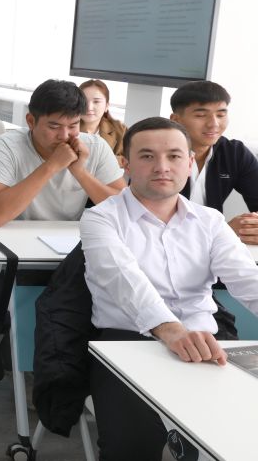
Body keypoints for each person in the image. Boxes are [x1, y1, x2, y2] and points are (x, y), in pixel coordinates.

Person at [81, 117, 258, 461]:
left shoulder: (210, 221)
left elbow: (246, 279)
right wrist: (171, 330)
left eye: (174, 156)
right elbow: (124, 281)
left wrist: (187, 335)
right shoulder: (101, 218)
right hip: (127, 343)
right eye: (147, 156)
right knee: (130, 450)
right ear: (125, 163)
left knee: (233, 439)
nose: (162, 167)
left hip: (206, 342)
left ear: (190, 163)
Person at [0, 79, 125, 226]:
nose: (64, 135)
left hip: (64, 236)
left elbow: (125, 210)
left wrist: (80, 172)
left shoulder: (96, 147)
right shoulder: (5, 146)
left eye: (73, 126)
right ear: (31, 121)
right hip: (8, 233)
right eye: (54, 127)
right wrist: (52, 165)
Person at [169, 80, 258, 243]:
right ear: (176, 119)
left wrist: (251, 226)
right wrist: (224, 230)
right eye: (201, 115)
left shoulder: (234, 153)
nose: (213, 124)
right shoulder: (157, 154)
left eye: (221, 115)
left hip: (214, 248)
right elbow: (151, 221)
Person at [79, 79, 126, 161]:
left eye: (96, 102)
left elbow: (129, 160)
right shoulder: (65, 127)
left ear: (106, 106)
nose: (89, 107)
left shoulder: (121, 130)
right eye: (84, 101)